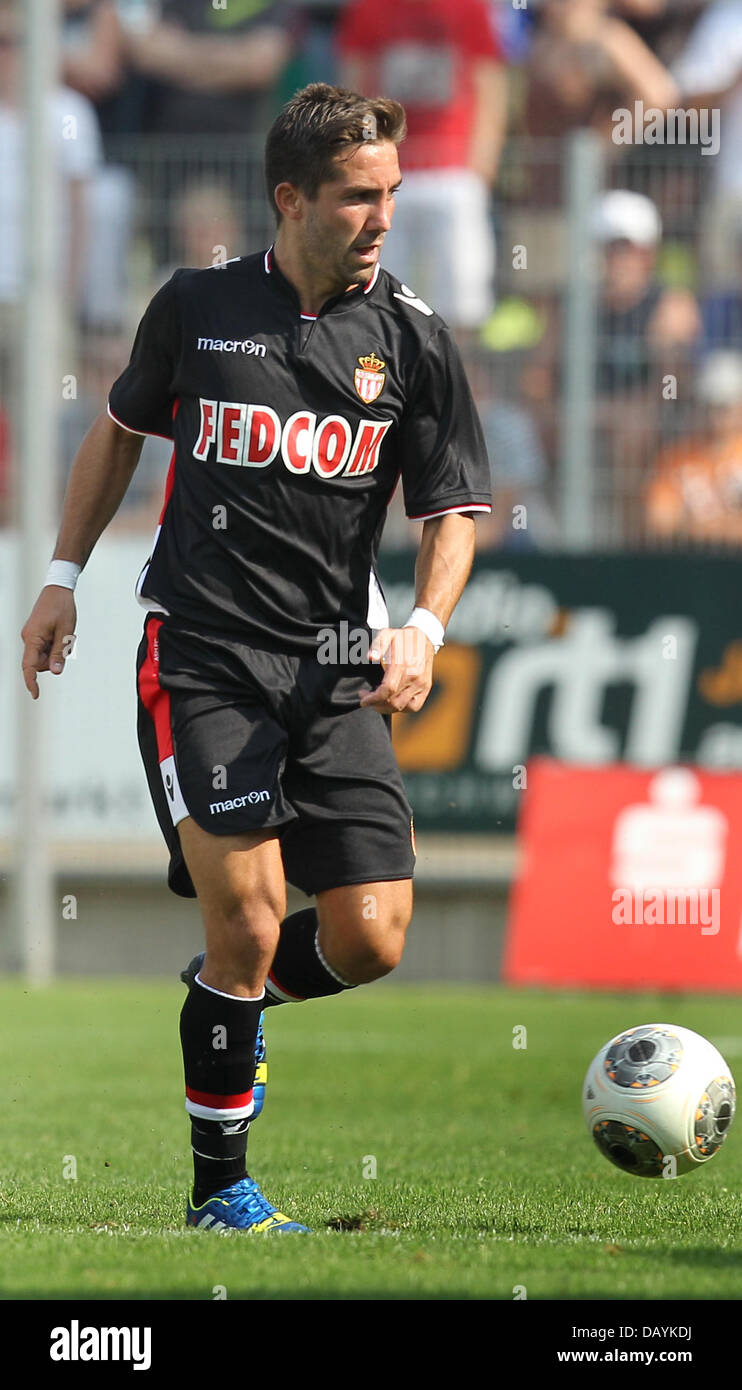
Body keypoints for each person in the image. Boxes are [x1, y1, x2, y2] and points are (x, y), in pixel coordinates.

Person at [20, 83, 492, 1235]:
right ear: (290, 199)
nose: (383, 215)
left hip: (335, 667)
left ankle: (222, 1010)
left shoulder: (415, 338)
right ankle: (219, 1189)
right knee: (246, 917)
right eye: (356, 196)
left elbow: (454, 513)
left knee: (371, 933)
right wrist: (63, 577)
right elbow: (119, 435)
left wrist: (421, 630)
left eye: (389, 192)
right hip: (204, 658)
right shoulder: (196, 307)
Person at [337, 0, 506, 334]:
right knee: (377, 293)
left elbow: (490, 84)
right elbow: (355, 86)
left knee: (463, 298)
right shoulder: (369, 8)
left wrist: (481, 165)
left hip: (454, 172)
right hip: (388, 175)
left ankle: (456, 378)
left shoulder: (470, 8)